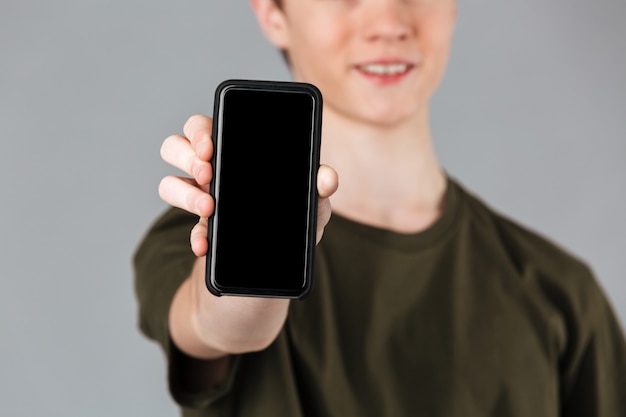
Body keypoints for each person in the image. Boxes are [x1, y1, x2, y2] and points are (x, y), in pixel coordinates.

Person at [133, 0, 626, 416]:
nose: (390, 20)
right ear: (272, 12)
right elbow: (216, 324)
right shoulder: (201, 238)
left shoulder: (562, 294)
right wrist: (246, 240)